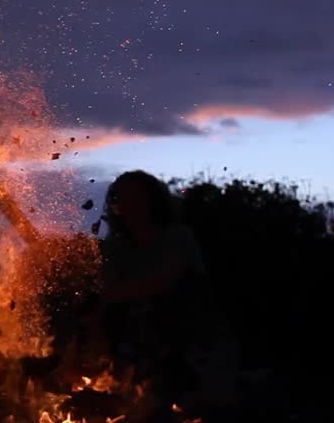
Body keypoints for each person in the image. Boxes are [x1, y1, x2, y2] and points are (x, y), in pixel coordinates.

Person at [97, 171, 234, 411]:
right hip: (134, 338)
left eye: (136, 197)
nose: (129, 205)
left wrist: (117, 294)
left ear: (153, 200)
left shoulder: (177, 237)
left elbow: (162, 282)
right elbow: (106, 290)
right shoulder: (117, 247)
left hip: (186, 336)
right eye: (122, 198)